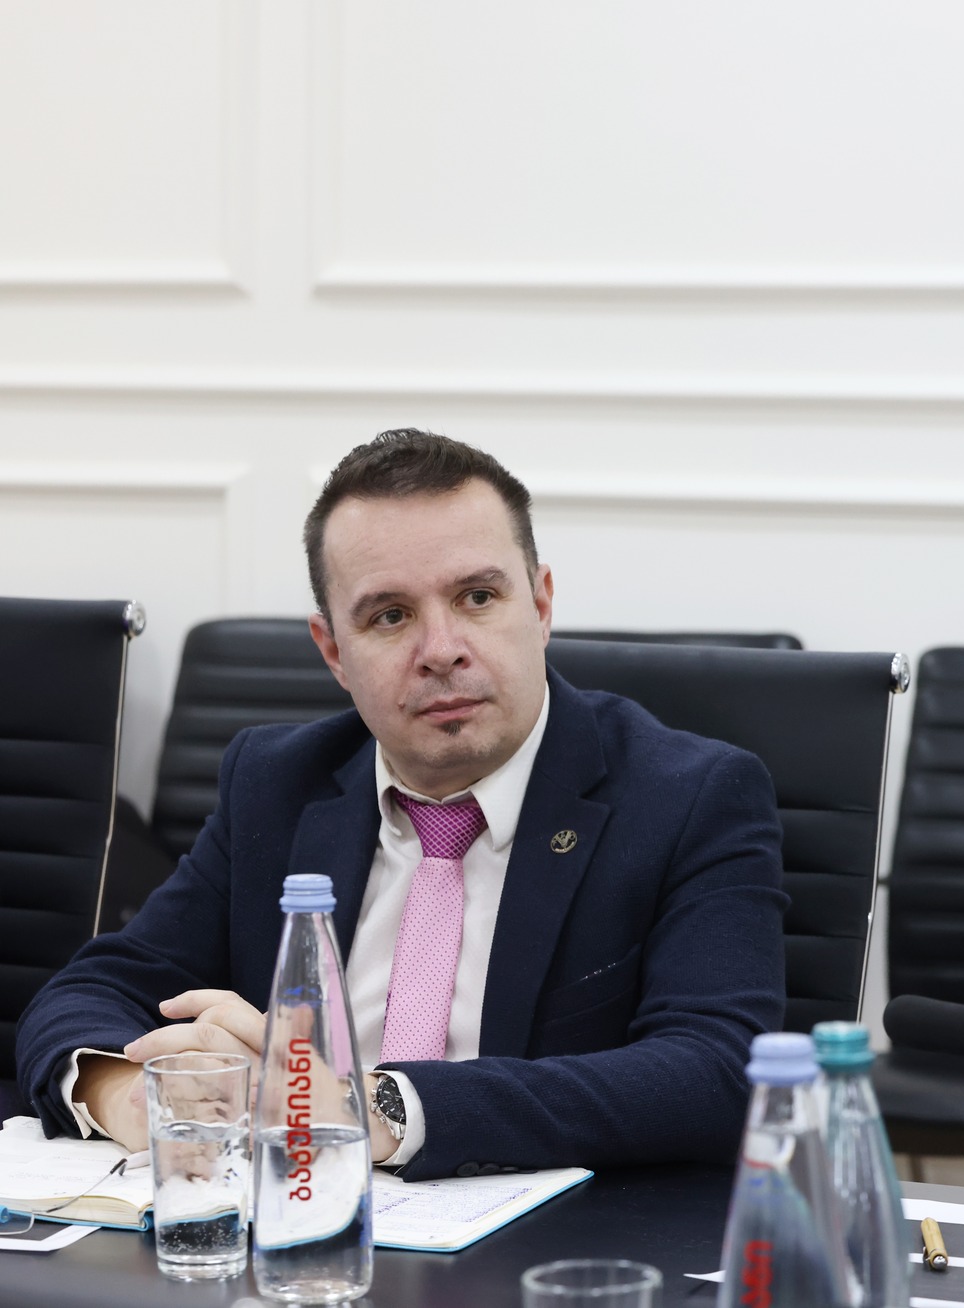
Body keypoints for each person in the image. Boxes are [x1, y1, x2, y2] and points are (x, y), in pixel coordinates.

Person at [16, 430, 787, 1180]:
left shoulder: (689, 796)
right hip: (295, 1220)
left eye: (477, 597)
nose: (441, 649)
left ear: (541, 604)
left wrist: (368, 1108)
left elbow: (720, 1069)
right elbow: (92, 991)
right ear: (332, 651)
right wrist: (139, 1098)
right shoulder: (279, 784)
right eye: (390, 615)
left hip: (551, 1240)